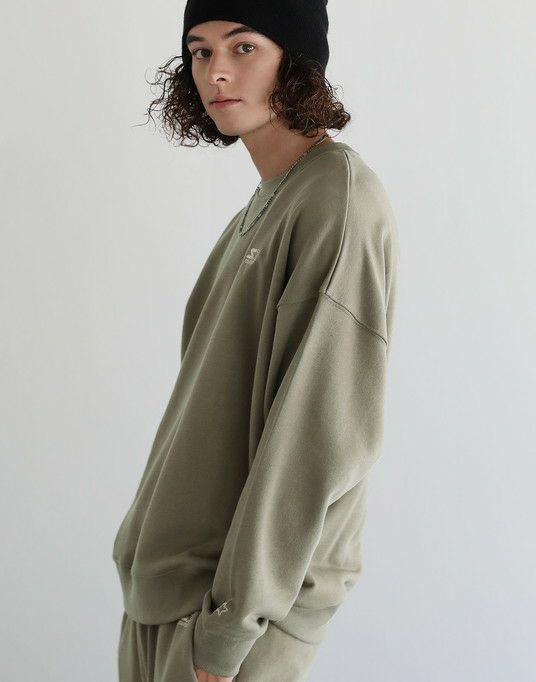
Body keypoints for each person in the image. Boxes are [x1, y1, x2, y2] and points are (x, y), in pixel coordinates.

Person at [113, 1, 400, 680]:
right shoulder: (268, 203)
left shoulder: (337, 202)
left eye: (244, 48)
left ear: (295, 62)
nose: (216, 71)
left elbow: (315, 442)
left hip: (229, 625)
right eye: (201, 50)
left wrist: (231, 625)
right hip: (170, 601)